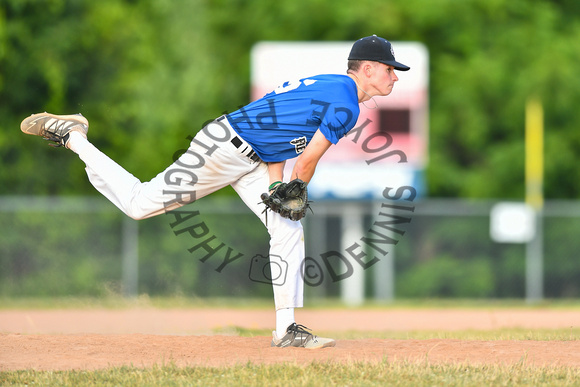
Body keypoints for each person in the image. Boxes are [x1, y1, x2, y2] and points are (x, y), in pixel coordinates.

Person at [20, 35, 410, 349]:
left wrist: (278, 186)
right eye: (391, 70)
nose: (395, 77)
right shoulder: (346, 103)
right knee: (140, 205)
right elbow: (307, 160)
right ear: (370, 68)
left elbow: (276, 137)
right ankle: (74, 138)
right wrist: (297, 187)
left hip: (246, 151)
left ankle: (286, 329)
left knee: (288, 229)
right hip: (225, 150)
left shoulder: (328, 86)